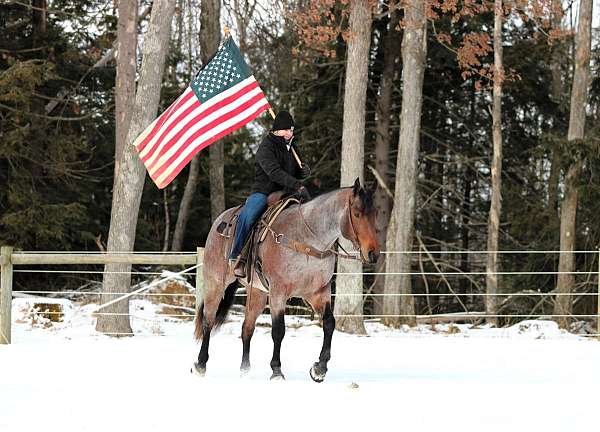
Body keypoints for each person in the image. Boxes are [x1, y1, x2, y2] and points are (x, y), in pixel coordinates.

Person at [228, 111, 311, 278]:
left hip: (287, 192)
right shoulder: (266, 147)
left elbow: (294, 171)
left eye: (291, 130)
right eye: (286, 130)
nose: (289, 133)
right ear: (277, 130)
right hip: (264, 191)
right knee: (250, 214)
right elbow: (274, 172)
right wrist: (296, 183)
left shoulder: (292, 147)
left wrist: (302, 172)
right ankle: (237, 256)